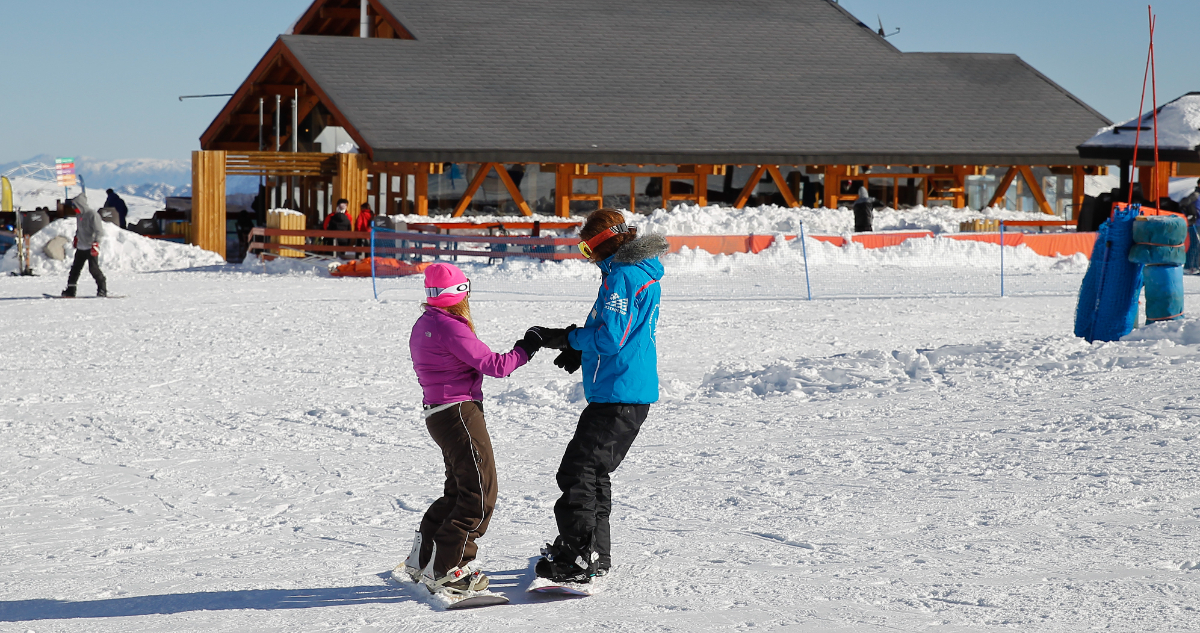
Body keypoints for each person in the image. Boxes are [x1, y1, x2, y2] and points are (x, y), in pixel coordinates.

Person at [533, 208, 667, 584]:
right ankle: (594, 554)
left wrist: (567, 337)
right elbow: (614, 331)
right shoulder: (633, 271)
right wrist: (580, 347)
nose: (587, 258)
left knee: (578, 471)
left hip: (619, 393)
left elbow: (610, 338)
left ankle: (577, 557)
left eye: (586, 249)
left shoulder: (623, 276)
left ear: (601, 245)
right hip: (621, 389)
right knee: (594, 473)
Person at [400, 262, 549, 594]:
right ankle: (449, 568)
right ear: (459, 294)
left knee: (458, 490)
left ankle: (423, 559)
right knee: (480, 493)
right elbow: (495, 365)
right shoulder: (450, 327)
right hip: (459, 413)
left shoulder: (425, 322)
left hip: (438, 414)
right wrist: (528, 347)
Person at [62, 193, 107, 297]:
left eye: (75, 206)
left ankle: (102, 289)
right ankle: (70, 290)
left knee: (94, 269)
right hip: (81, 247)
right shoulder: (79, 215)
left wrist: (96, 244)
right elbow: (79, 229)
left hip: (91, 247)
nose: (74, 209)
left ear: (80, 205)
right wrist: (76, 237)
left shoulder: (93, 215)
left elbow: (99, 231)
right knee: (75, 270)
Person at [1180, 182, 1200, 273]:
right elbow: (1183, 204)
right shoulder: (1195, 195)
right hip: (1195, 224)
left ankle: (1195, 266)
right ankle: (1189, 266)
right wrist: (1189, 215)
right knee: (1194, 243)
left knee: (1198, 245)